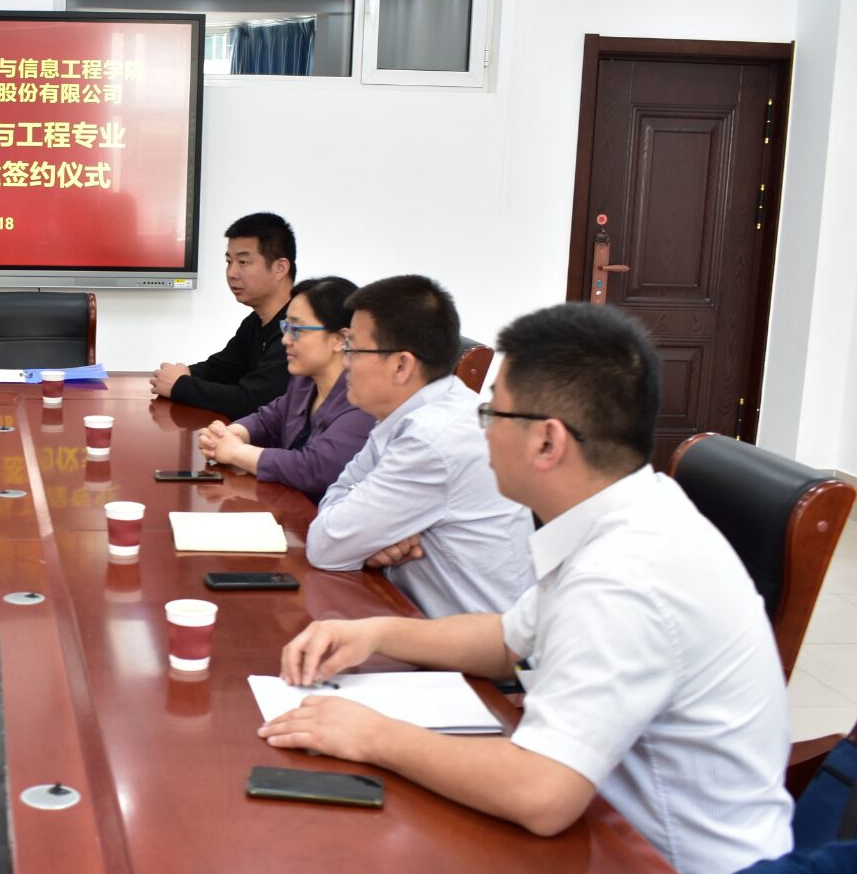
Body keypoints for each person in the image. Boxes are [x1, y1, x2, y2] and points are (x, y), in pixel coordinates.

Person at [262, 302, 792, 874]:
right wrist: (374, 634)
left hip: (662, 857)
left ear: (547, 442)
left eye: (493, 413)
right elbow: (507, 639)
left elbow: (541, 794)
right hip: (604, 823)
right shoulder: (623, 512)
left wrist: (372, 735)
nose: (481, 430)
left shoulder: (623, 575)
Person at [306, 275, 533, 617]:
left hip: (474, 642)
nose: (344, 362)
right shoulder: (407, 415)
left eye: (352, 348)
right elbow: (334, 501)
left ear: (401, 365)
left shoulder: (432, 439)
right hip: (409, 611)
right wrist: (367, 541)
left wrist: (358, 537)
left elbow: (325, 545)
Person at [195, 276, 376, 500]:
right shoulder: (304, 382)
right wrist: (229, 434)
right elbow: (269, 419)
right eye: (286, 327)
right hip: (290, 505)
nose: (286, 340)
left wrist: (236, 452)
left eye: (297, 329)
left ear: (340, 338)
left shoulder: (364, 398)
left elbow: (315, 468)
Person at [151, 212, 295, 418]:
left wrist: (180, 385)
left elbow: (252, 401)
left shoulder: (298, 328)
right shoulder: (255, 322)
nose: (231, 273)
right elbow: (220, 369)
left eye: (243, 262)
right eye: (229, 262)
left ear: (280, 268)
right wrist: (184, 373)